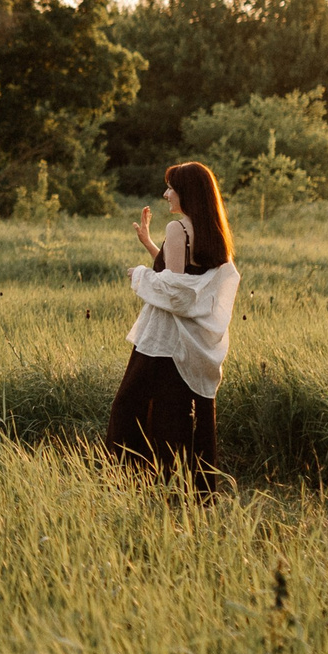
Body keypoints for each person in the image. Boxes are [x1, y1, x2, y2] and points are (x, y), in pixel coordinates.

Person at [104, 160, 242, 492]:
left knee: (130, 406)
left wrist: (140, 274)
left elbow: (175, 291)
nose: (166, 194)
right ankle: (186, 487)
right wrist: (151, 245)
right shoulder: (211, 231)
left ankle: (126, 482)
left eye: (171, 188)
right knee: (178, 412)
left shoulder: (178, 229)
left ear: (186, 193)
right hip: (192, 342)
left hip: (165, 337)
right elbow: (186, 275)